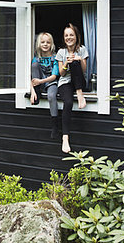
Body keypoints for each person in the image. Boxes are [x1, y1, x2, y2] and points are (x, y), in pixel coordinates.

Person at [56, 23, 88, 153]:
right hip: (65, 83)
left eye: (71, 35)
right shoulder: (61, 52)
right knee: (68, 103)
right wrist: (65, 64)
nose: (69, 37)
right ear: (64, 38)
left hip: (80, 82)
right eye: (66, 35)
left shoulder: (82, 49)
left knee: (75, 62)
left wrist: (79, 60)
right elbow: (61, 73)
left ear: (76, 36)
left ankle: (80, 94)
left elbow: (85, 70)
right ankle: (65, 138)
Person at [30, 33, 60, 139]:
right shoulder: (36, 58)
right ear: (39, 43)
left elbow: (54, 76)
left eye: (48, 42)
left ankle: (55, 125)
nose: (45, 44)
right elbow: (29, 77)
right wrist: (32, 91)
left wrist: (40, 81)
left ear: (51, 44)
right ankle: (37, 93)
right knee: (34, 65)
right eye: (43, 42)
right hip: (39, 83)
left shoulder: (55, 57)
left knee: (51, 97)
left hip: (50, 82)